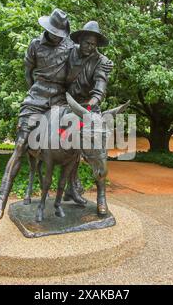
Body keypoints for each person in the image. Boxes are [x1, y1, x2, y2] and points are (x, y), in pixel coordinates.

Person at [0, 8, 74, 220]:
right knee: (20, 145)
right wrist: (36, 93)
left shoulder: (70, 46)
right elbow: (28, 74)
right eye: (54, 32)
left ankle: (73, 187)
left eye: (60, 33)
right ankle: (1, 199)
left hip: (60, 100)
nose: (57, 36)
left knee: (77, 137)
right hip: (36, 98)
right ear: (47, 28)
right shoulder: (35, 45)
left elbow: (83, 64)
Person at [62, 21, 113, 207]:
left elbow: (99, 90)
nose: (90, 47)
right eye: (87, 43)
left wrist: (88, 109)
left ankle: (101, 196)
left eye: (94, 44)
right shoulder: (68, 53)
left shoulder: (101, 62)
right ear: (80, 40)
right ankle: (71, 186)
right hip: (66, 104)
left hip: (89, 108)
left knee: (98, 149)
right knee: (62, 143)